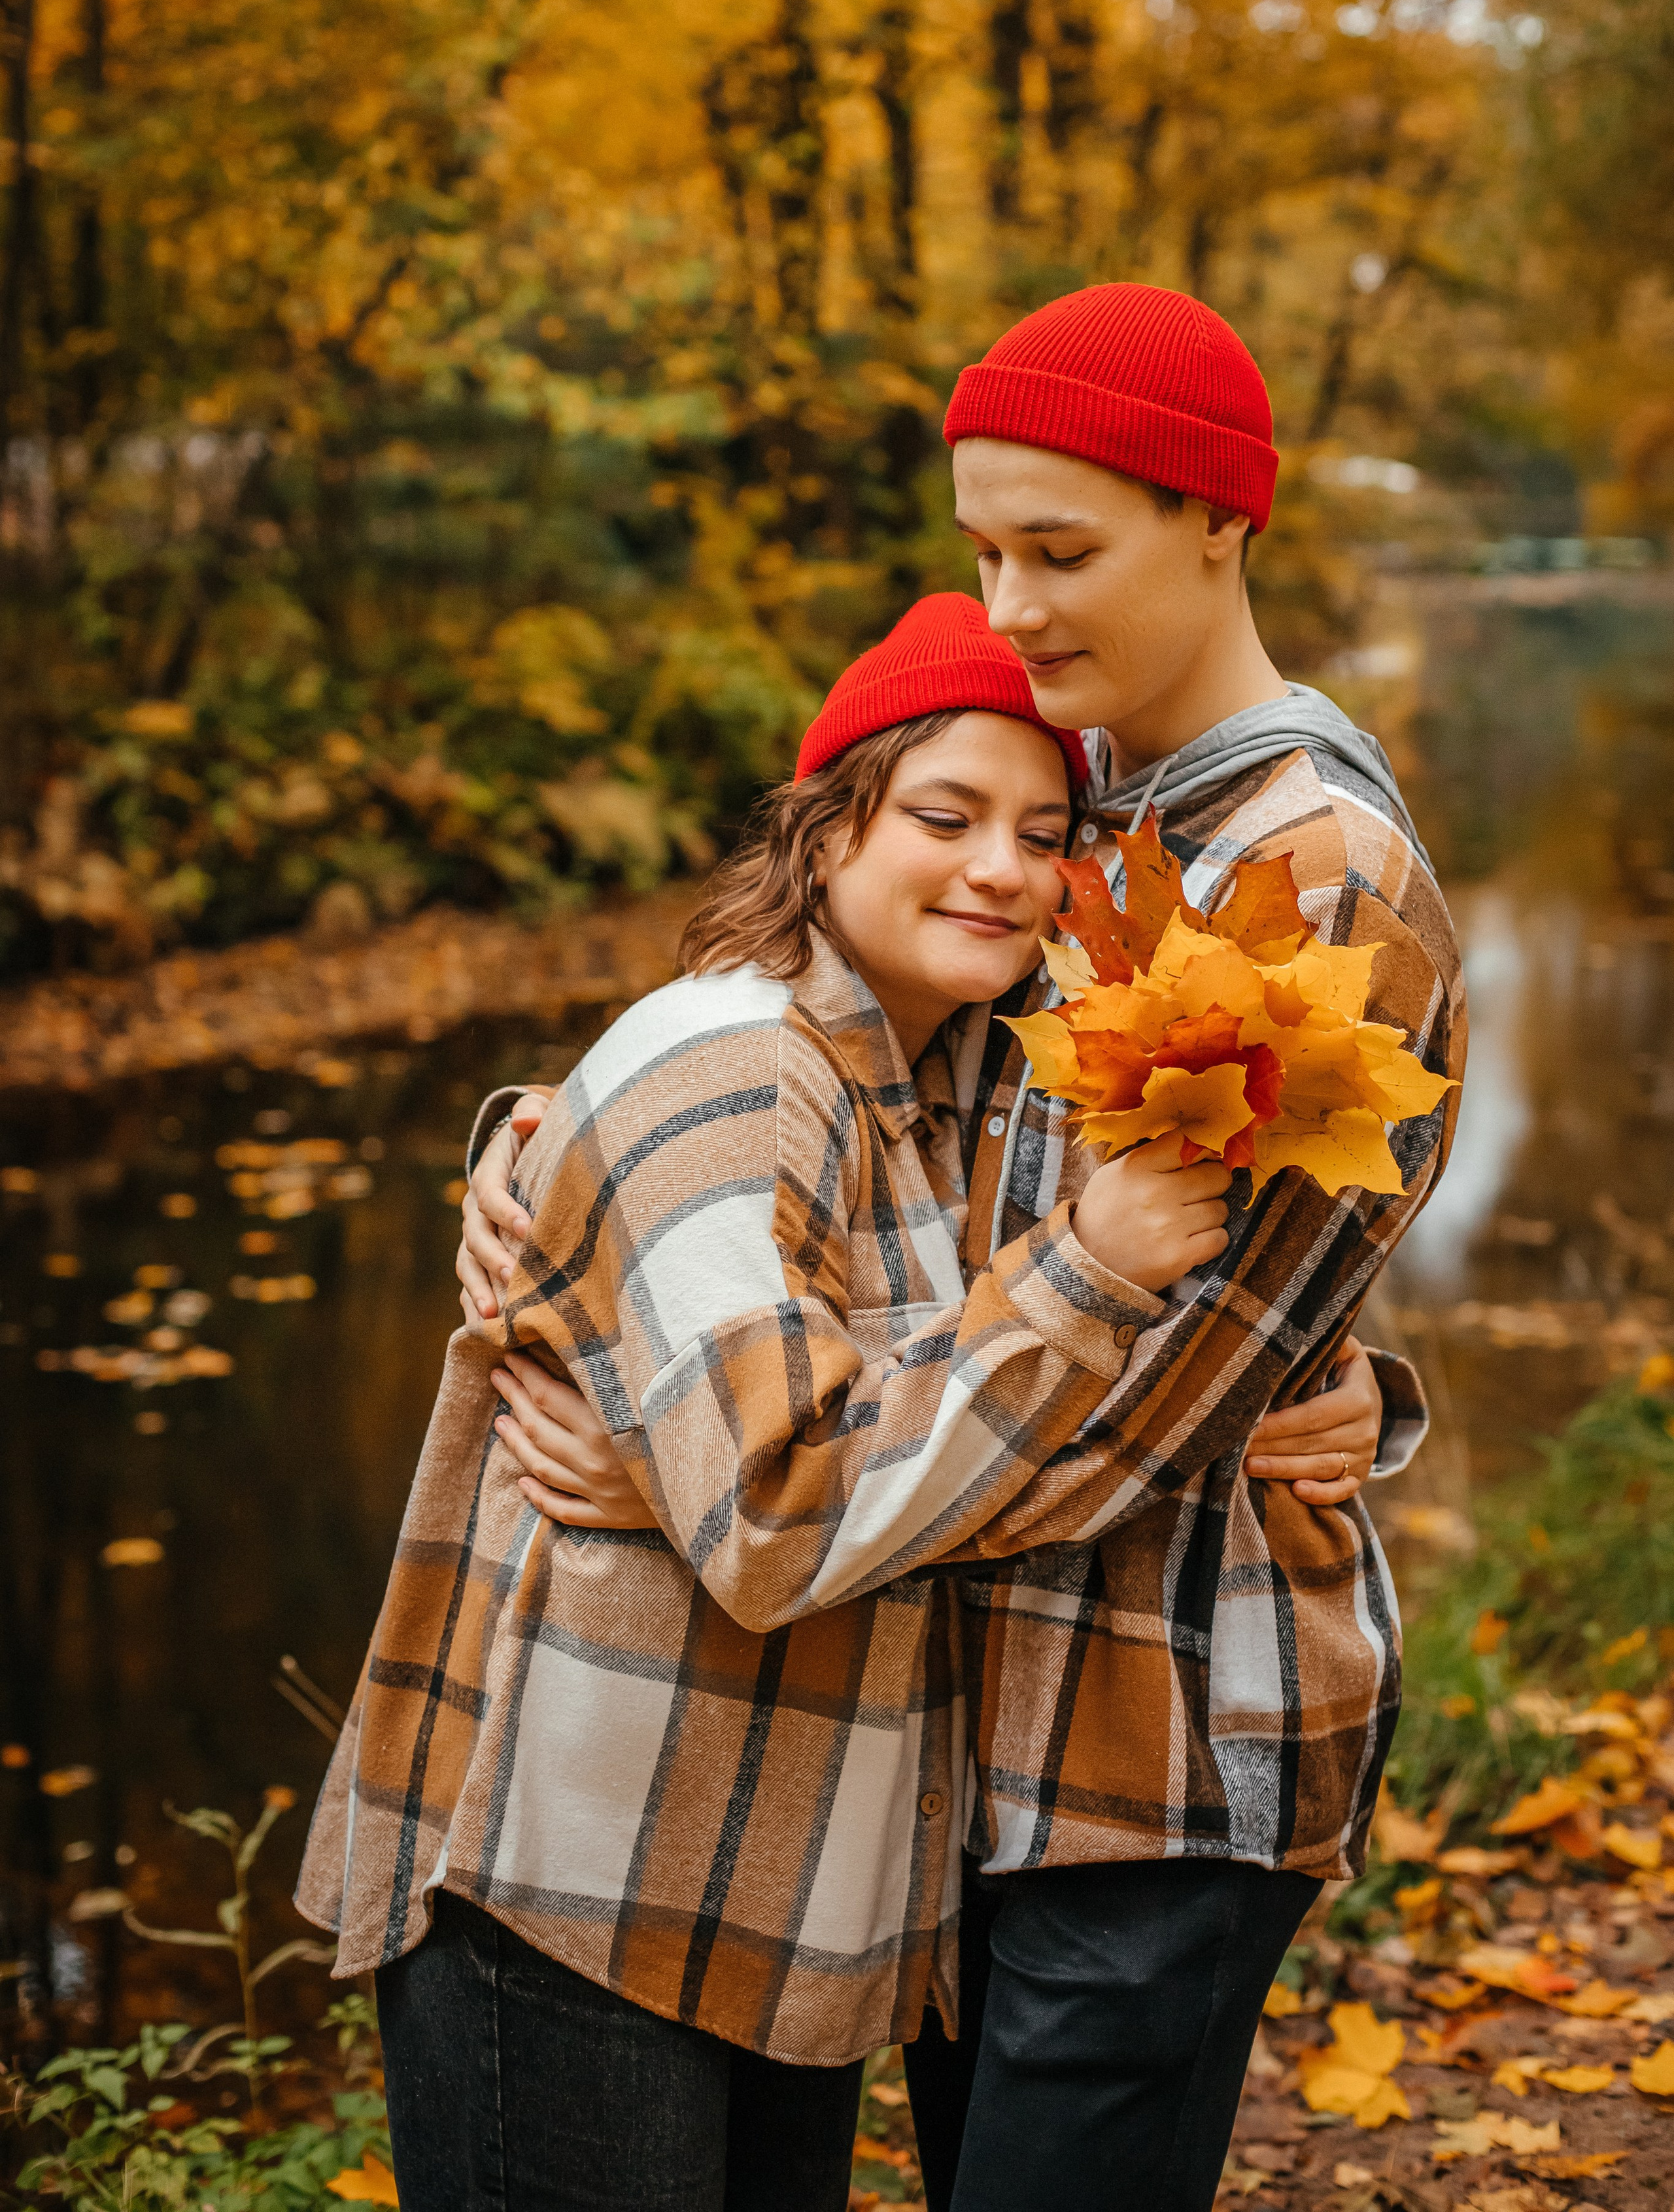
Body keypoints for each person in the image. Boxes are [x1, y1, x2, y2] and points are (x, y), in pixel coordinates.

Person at [470, 284, 1463, 2212]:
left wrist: (717, 1483)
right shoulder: (1087, 803)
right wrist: (543, 1156)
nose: (1007, 607)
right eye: (985, 549)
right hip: (965, 1739)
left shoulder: (1309, 875)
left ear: (1220, 524)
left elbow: (1134, 1407)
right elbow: (833, 1071)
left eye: (1062, 550)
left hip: (1150, 1757)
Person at [298, 594, 1395, 2212]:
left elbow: (993, 1382)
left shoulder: (939, 1077)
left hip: (773, 1913)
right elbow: (770, 1510)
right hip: (575, 1894)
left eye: (1042, 833)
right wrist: (1080, 1273)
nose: (1003, 870)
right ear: (823, 836)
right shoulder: (734, 1070)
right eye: (943, 817)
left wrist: (1331, 1390)